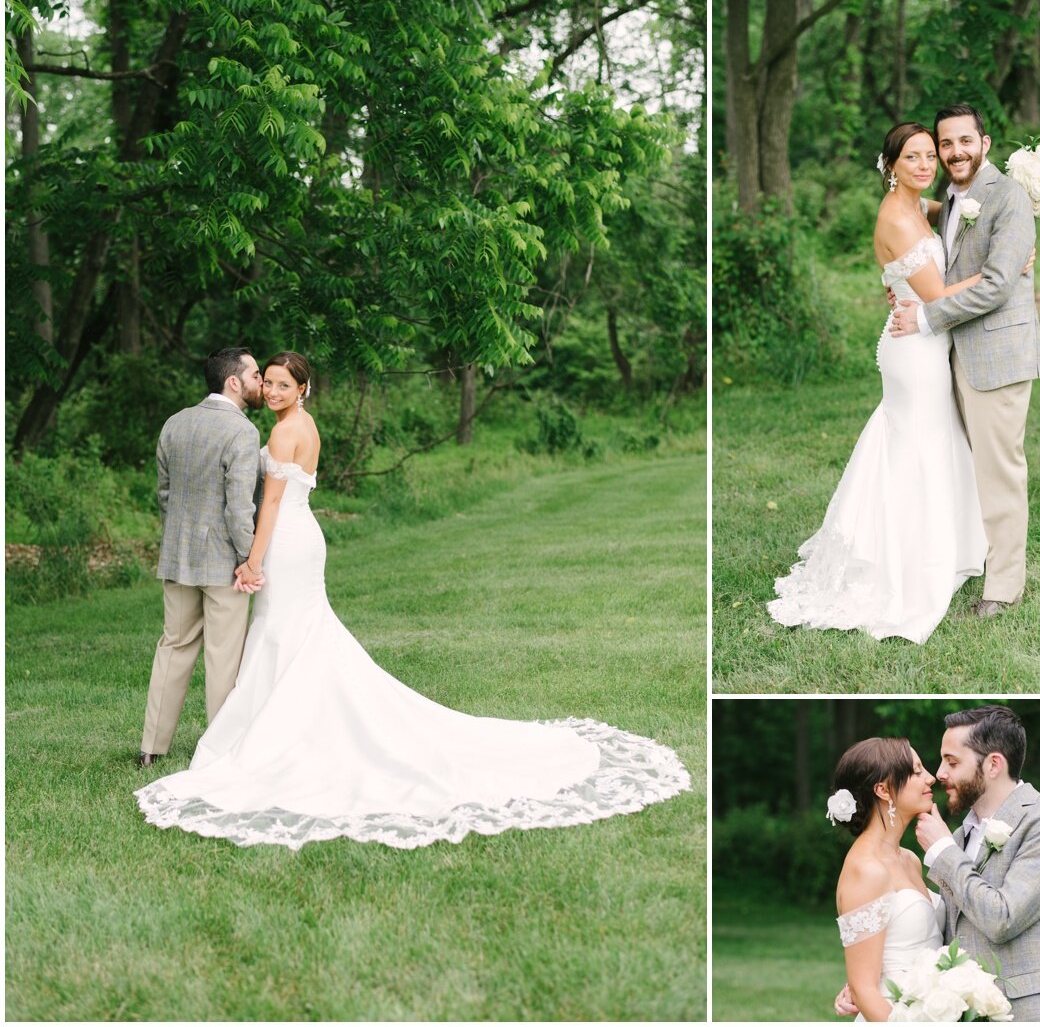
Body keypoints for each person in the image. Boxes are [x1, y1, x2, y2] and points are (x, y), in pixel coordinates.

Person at [134, 352, 689, 849]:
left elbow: (246, 500)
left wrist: (253, 560)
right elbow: (257, 500)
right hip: (291, 541)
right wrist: (250, 555)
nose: (269, 390)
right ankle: (256, 728)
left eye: (279, 384)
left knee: (252, 637)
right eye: (265, 382)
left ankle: (232, 738)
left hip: (267, 544)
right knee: (272, 639)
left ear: (301, 389)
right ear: (243, 383)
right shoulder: (299, 426)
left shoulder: (242, 430)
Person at [768, 120, 1034, 644]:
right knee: (916, 447)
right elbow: (936, 294)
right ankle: (907, 562)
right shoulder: (897, 218)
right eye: (912, 157)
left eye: (928, 156)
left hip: (931, 343)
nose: (926, 165)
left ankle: (949, 548)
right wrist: (1006, 267)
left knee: (936, 445)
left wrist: (1012, 235)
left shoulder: (925, 207)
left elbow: (955, 220)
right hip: (915, 345)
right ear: (890, 167)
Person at [889, 104, 1040, 619]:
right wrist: (899, 279)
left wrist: (928, 316)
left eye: (964, 142)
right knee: (964, 466)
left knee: (999, 472)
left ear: (986, 142)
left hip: (997, 353)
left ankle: (1003, 587)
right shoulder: (953, 200)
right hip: (954, 357)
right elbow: (921, 230)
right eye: (944, 144)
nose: (954, 152)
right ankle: (969, 558)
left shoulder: (1009, 198)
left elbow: (1000, 284)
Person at [834, 705, 1040, 1021]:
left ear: (993, 764)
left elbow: (1002, 917)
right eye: (926, 766)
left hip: (1034, 1012)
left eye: (951, 762)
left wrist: (942, 849)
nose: (937, 774)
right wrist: (872, 980)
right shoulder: (959, 837)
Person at [138, 348, 263, 767]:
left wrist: (179, 536)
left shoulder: (175, 422)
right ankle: (220, 749)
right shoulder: (242, 432)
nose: (260, 382)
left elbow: (165, 494)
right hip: (224, 561)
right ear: (234, 381)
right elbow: (238, 508)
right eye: (255, 374)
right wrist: (249, 559)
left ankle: (150, 748)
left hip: (178, 554)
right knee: (223, 655)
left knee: (173, 646)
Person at [829, 737, 943, 1022]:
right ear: (882, 789)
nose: (930, 778)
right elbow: (864, 990)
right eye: (916, 771)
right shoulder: (866, 870)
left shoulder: (909, 859)